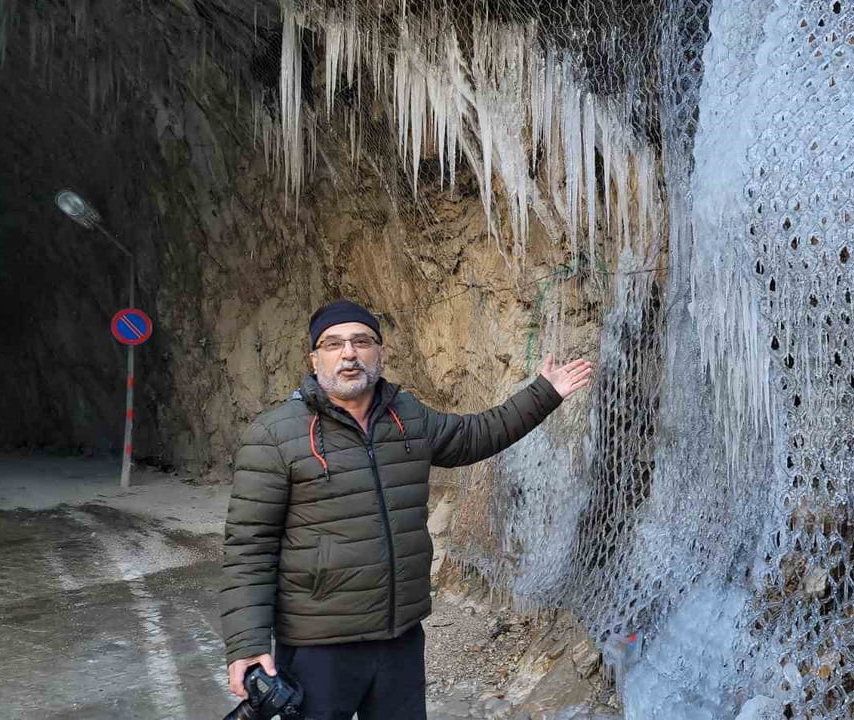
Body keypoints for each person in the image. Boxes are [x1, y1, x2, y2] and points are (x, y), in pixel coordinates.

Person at [220, 299, 593, 719]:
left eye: (361, 341)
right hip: (319, 645)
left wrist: (546, 392)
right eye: (333, 343)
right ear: (314, 357)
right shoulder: (275, 434)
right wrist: (248, 645)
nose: (348, 353)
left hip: (399, 638)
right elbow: (249, 548)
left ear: (381, 352)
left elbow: (475, 435)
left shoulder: (407, 416)